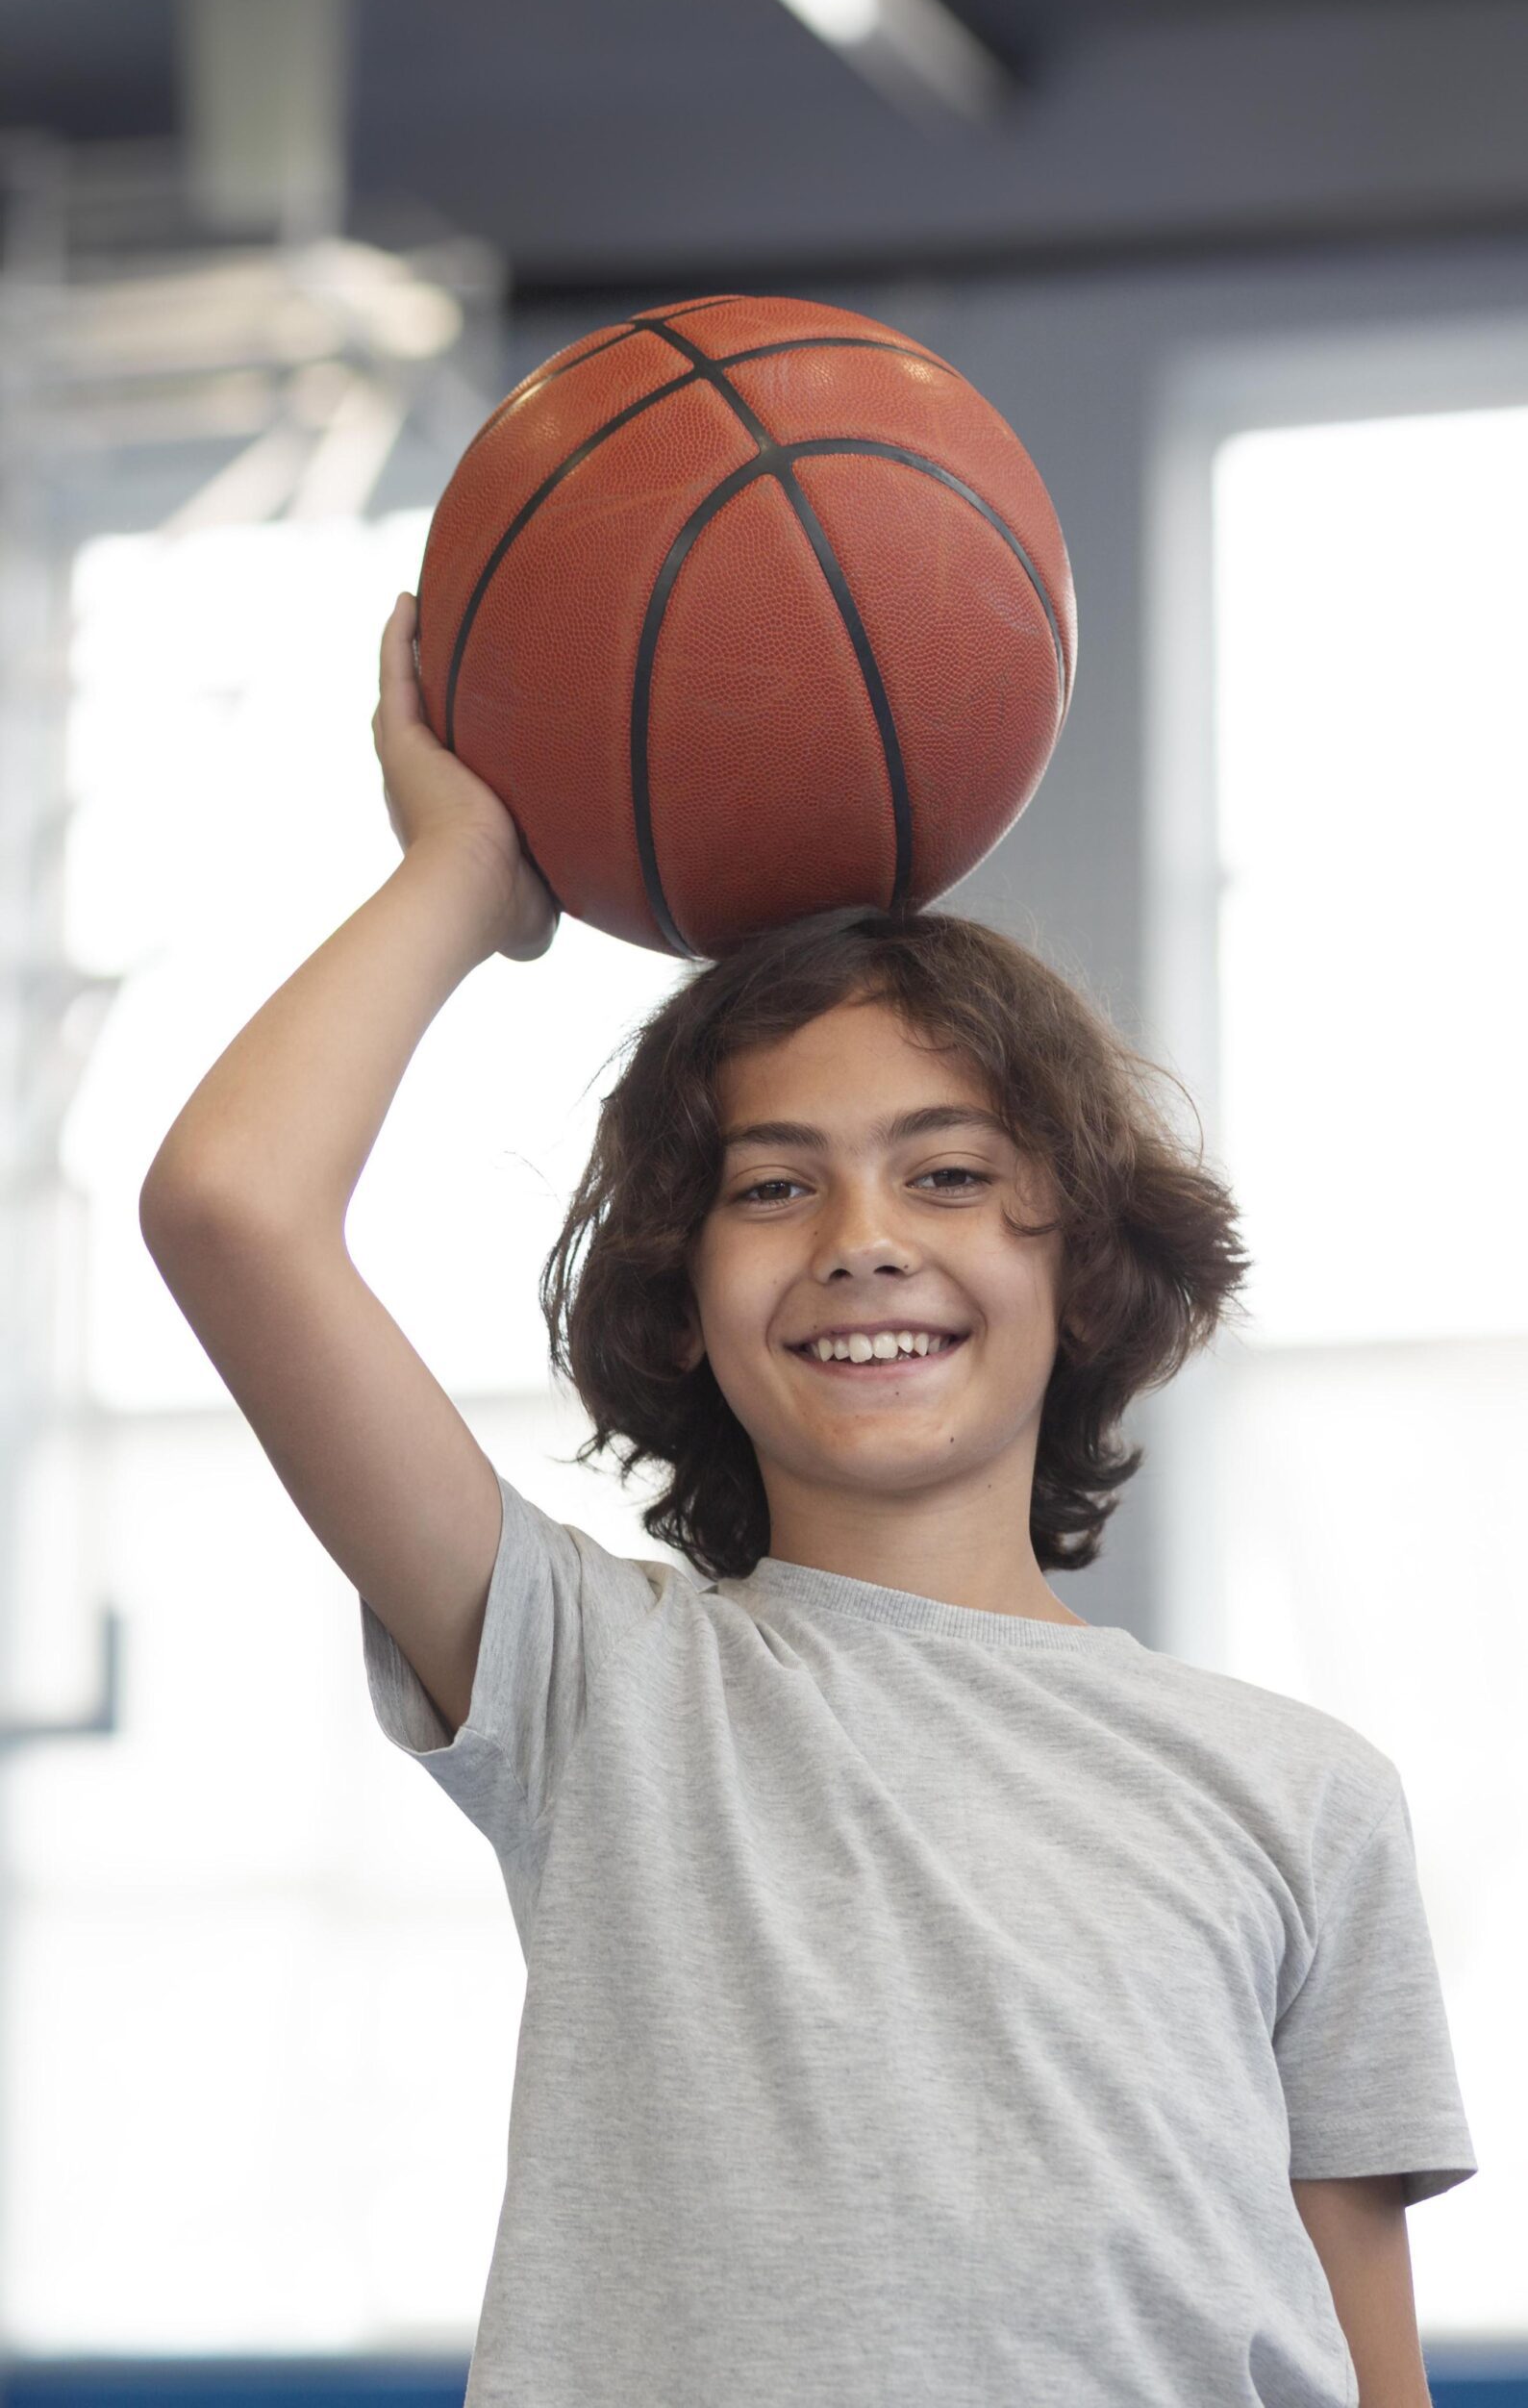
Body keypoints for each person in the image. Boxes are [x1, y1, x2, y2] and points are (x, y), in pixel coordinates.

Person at [138, 590, 1475, 2408]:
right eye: (772, 1190)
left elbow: (1359, 2359)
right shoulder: (593, 1689)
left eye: (945, 1174)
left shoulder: (1303, 1794)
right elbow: (233, 1204)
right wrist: (467, 878)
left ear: (1079, 1260)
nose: (862, 1245)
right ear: (677, 1302)